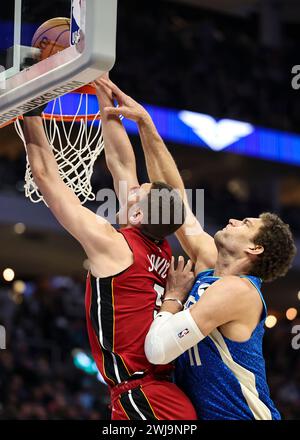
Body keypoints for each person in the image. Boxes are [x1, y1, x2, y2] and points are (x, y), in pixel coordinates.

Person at [101, 78, 297, 420]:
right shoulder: (210, 263)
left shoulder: (238, 291)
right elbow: (175, 200)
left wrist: (173, 298)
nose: (235, 220)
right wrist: (146, 125)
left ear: (255, 248)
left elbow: (159, 350)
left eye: (246, 224)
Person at [22, 79, 197, 421]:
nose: (132, 188)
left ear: (137, 213)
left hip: (146, 396)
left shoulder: (116, 245)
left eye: (138, 192)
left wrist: (31, 112)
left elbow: (46, 178)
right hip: (154, 391)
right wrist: (103, 89)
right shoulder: (158, 245)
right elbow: (121, 162)